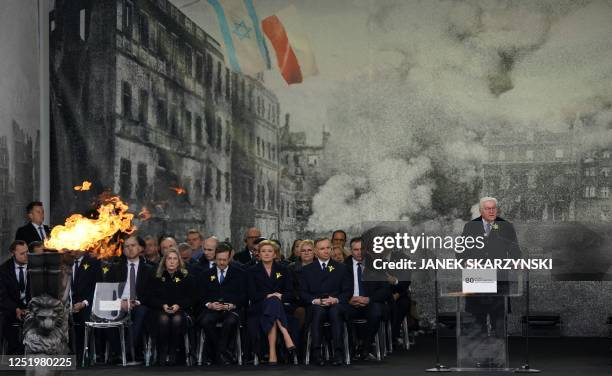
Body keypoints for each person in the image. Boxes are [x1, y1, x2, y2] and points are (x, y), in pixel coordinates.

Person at [459, 197, 521, 353]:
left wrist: (517, 261)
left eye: (494, 208)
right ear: (481, 211)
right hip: (477, 277)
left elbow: (515, 250)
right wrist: (466, 262)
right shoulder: (470, 227)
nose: (492, 211)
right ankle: (480, 355)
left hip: (498, 278)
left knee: (499, 319)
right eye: (488, 208)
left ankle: (499, 355)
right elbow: (460, 252)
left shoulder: (506, 227)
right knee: (477, 318)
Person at [299, 238, 352, 366]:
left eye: (328, 248)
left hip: (336, 304)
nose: (326, 251)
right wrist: (314, 300)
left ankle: (338, 353)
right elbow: (302, 293)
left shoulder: (341, 268)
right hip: (316, 304)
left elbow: (347, 291)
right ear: (316, 251)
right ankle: (316, 353)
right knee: (318, 312)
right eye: (322, 248)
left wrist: (336, 299)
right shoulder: (306, 270)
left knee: (335, 312)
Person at [143, 248, 195, 366]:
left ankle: (173, 351)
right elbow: (148, 297)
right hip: (158, 310)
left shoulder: (186, 277)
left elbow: (191, 298)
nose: (172, 261)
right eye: (169, 259)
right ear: (164, 261)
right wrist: (163, 305)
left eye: (175, 259)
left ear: (179, 261)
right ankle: (162, 350)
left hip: (180, 310)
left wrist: (179, 305)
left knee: (177, 319)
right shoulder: (155, 276)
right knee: (164, 319)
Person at [247, 240, 297, 365]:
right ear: (258, 254)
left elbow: (291, 294)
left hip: (279, 306)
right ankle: (286, 335)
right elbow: (251, 295)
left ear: (275, 254)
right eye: (263, 251)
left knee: (273, 305)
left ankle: (272, 352)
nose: (266, 254)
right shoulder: (251, 271)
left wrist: (280, 296)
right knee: (272, 301)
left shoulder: (284, 270)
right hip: (259, 306)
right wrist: (267, 296)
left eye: (270, 251)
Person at [197, 242, 247, 365]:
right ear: (215, 258)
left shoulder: (239, 273)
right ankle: (224, 353)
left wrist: (233, 305)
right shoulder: (205, 275)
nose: (222, 262)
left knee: (230, 322)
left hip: (231, 310)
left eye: (224, 259)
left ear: (229, 258)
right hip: (212, 309)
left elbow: (245, 296)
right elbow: (200, 296)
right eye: (219, 259)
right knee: (205, 321)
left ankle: (217, 353)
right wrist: (209, 304)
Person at [108, 235, 155, 360]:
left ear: (140, 248)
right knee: (109, 312)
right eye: (126, 246)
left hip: (139, 304)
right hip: (119, 303)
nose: (130, 249)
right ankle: (116, 351)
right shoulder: (115, 268)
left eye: (133, 245)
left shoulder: (150, 269)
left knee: (140, 312)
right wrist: (120, 302)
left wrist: (136, 302)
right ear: (123, 250)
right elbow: (109, 291)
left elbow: (151, 293)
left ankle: (127, 352)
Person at [344, 237, 390, 360]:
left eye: (362, 249)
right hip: (350, 303)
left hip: (371, 302)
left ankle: (366, 346)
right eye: (356, 249)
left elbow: (385, 290)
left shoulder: (377, 265)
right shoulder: (342, 266)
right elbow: (336, 289)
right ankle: (351, 348)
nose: (359, 252)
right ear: (350, 250)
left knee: (376, 312)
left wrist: (368, 299)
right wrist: (349, 299)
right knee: (340, 312)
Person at [71, 249, 103, 363]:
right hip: (67, 304)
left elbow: (97, 288)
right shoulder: (64, 262)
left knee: (84, 318)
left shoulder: (93, 262)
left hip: (87, 303)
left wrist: (84, 303)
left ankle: (82, 355)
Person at [0, 240, 30, 354]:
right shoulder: (3, 270)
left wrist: (31, 307)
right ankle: (15, 352)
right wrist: (16, 309)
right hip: (12, 308)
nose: (26, 255)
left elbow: (39, 291)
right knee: (4, 319)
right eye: (22, 253)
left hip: (32, 307)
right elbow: (2, 295)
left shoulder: (35, 266)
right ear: (13, 253)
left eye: (27, 252)